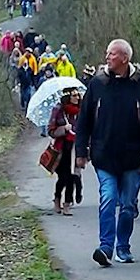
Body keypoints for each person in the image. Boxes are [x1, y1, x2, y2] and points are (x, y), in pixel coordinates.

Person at [76, 39, 140, 267]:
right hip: (104, 156)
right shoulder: (97, 85)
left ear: (125, 58)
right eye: (107, 53)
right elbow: (83, 120)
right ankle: (105, 247)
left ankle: (123, 247)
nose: (107, 58)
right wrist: (81, 151)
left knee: (127, 205)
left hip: (133, 158)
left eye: (112, 54)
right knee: (108, 198)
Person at [47, 87, 83, 215]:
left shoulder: (81, 111)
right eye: (74, 95)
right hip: (61, 149)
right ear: (68, 97)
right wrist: (63, 129)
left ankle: (67, 203)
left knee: (72, 177)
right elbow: (50, 130)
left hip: (75, 148)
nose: (77, 98)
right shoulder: (58, 110)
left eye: (78, 95)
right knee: (63, 177)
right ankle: (57, 198)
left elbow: (86, 128)